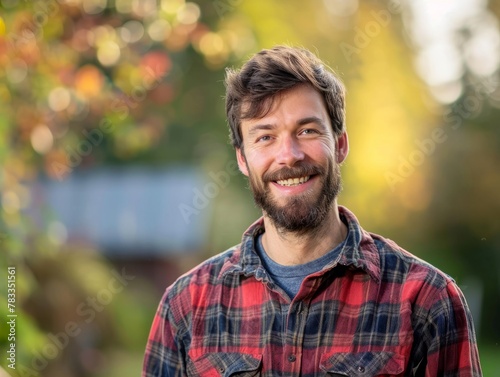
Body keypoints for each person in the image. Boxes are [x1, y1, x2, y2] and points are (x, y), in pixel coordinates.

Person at [142, 46, 482, 376]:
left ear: (340, 144)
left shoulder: (427, 299)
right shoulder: (186, 306)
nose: (289, 155)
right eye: (265, 137)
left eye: (307, 131)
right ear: (242, 159)